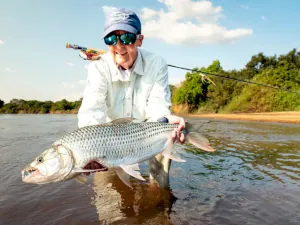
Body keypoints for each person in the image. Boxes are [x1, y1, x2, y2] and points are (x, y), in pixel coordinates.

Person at [77, 7, 185, 188]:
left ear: (140, 40)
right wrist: (90, 151)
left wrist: (166, 120)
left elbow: (158, 105)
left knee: (160, 185)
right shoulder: (97, 68)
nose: (119, 46)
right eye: (111, 39)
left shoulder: (157, 63)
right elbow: (91, 110)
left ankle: (158, 205)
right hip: (111, 139)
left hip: (149, 130)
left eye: (127, 38)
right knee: (108, 195)